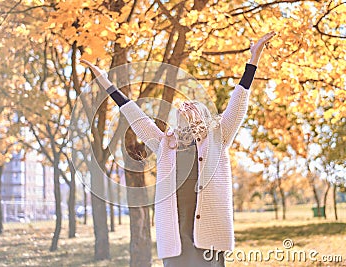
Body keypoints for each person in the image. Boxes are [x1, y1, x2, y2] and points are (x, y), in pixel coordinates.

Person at [80, 31, 276, 267]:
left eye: (194, 106)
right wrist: (105, 81)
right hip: (176, 238)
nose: (186, 108)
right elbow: (135, 115)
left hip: (208, 237)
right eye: (183, 107)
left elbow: (239, 100)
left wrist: (253, 59)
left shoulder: (218, 137)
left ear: (205, 117)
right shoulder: (165, 144)